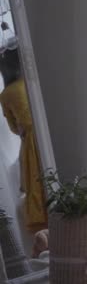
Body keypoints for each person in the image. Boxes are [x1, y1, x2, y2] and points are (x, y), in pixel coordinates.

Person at [0, 46, 47, 233]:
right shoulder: (32, 82)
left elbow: (14, 129)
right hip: (42, 133)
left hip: (29, 141)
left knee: (34, 182)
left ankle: (42, 226)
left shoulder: (6, 94)